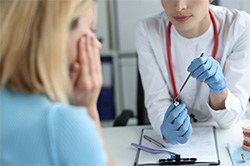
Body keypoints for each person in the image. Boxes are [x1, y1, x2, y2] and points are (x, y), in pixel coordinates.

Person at [0, 0, 113, 165]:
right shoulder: (60, 124)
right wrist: (88, 110)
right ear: (56, 35)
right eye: (90, 29)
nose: (97, 43)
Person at [136, 0, 250, 144]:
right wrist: (165, 127)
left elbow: (229, 120)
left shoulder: (240, 26)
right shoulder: (148, 30)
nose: (179, 7)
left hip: (228, 136)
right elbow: (157, 102)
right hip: (176, 147)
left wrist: (219, 90)